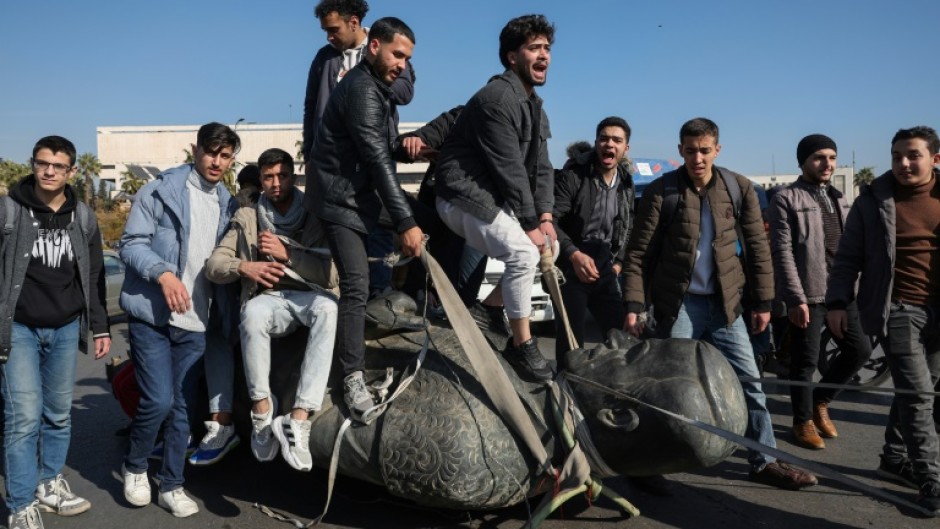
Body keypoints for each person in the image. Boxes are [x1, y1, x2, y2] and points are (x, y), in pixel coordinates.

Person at [622, 117, 817, 490]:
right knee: (666, 388)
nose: (698, 157)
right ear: (680, 150)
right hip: (678, 306)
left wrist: (762, 302)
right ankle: (647, 463)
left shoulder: (737, 186)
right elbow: (637, 255)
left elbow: (759, 250)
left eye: (705, 150)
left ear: (717, 150)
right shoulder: (662, 192)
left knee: (750, 383)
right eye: (691, 150)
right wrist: (634, 303)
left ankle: (765, 461)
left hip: (726, 307)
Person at [118, 122, 238, 517]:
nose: (216, 161)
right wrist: (163, 274)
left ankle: (172, 484)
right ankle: (135, 466)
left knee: (184, 411)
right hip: (152, 314)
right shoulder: (160, 190)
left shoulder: (228, 203)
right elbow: (131, 244)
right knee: (158, 399)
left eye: (225, 155)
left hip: (196, 322)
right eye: (210, 152)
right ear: (195, 149)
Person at [307, 17, 424, 420]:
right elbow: (376, 159)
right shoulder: (361, 89)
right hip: (340, 202)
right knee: (355, 284)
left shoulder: (378, 89)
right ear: (374, 45)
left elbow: (381, 145)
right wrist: (406, 223)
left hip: (360, 198)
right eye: (397, 55)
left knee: (433, 223)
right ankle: (350, 378)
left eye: (407, 59)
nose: (403, 66)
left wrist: (414, 148)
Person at [434, 14, 557, 382]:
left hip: (494, 201)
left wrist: (546, 219)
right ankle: (522, 346)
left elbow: (542, 169)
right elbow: (511, 170)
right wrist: (531, 226)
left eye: (547, 48)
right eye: (534, 48)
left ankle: (487, 310)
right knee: (523, 252)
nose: (544, 56)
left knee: (551, 246)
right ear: (511, 57)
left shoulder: (535, 105)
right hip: (462, 197)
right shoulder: (496, 98)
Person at [826, 126, 940, 515]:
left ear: (934, 159)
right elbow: (848, 257)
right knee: (919, 395)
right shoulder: (874, 199)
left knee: (922, 390)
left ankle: (894, 457)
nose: (904, 163)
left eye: (913, 155)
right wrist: (838, 302)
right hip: (898, 309)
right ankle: (931, 479)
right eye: (897, 156)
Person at [0, 136, 111, 529]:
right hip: (20, 329)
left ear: (71, 171)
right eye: (43, 163)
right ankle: (20, 502)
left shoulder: (82, 217)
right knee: (23, 418)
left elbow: (94, 275)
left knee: (59, 415)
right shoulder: (9, 210)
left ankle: (49, 483)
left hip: (65, 328)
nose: (49, 171)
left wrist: (100, 326)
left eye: (58, 166)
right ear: (33, 164)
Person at [206, 148, 338, 472]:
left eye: (282, 176)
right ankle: (262, 411)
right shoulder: (249, 217)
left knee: (328, 309)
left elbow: (332, 274)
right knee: (251, 314)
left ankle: (299, 418)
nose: (276, 183)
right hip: (270, 299)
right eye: (268, 177)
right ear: (261, 180)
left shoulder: (313, 213)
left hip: (310, 294)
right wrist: (245, 266)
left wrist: (288, 252)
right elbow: (214, 265)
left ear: (293, 176)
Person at [302, 0, 417, 299]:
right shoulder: (324, 58)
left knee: (379, 223)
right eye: (325, 30)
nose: (329, 36)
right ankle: (339, 292)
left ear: (354, 22)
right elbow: (311, 105)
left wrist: (365, 83)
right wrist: (310, 153)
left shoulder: (391, 50)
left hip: (375, 152)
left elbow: (405, 92)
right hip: (333, 163)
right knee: (339, 231)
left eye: (333, 29)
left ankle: (379, 294)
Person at [766, 134, 872, 450]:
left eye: (831, 157)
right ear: (803, 162)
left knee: (860, 350)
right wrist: (796, 297)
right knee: (805, 361)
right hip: (809, 292)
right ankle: (802, 422)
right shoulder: (786, 198)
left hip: (841, 291)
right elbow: (782, 251)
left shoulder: (840, 197)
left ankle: (820, 401)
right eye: (819, 157)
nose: (827, 164)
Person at [552, 117, 635, 367]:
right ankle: (565, 393)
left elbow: (628, 226)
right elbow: (551, 223)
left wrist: (618, 262)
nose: (609, 144)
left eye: (617, 140)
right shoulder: (573, 175)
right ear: (596, 142)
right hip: (571, 261)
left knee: (620, 337)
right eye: (604, 138)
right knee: (570, 343)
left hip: (605, 262)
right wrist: (573, 255)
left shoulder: (626, 181)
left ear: (625, 148)